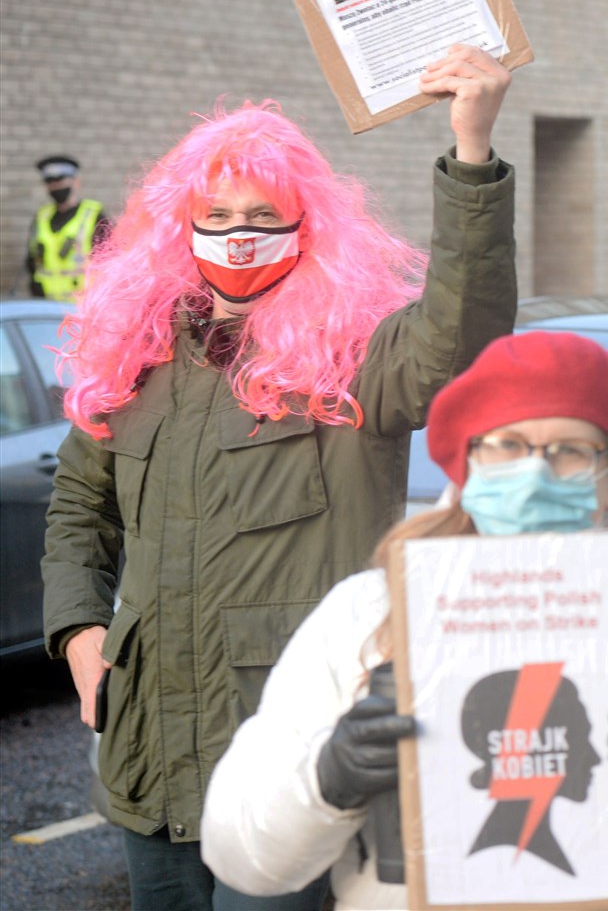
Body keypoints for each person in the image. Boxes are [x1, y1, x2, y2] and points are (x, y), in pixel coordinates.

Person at [41, 45, 518, 911]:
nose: (238, 229)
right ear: (179, 226)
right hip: (153, 752)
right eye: (216, 211)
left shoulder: (354, 361)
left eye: (263, 211)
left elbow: (460, 338)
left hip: (295, 756)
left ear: (309, 225)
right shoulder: (134, 361)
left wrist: (473, 152)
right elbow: (80, 505)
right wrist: (77, 630)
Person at [200, 331, 608, 910]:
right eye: (507, 445)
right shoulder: (366, 616)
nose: (536, 471)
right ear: (467, 464)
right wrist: (330, 776)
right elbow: (239, 854)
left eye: (571, 451)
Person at [25, 154, 111, 299]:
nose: (55, 186)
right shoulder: (42, 217)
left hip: (82, 308)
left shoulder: (94, 215)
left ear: (76, 182)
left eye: (60, 180)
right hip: (45, 307)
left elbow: (109, 263)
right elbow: (32, 260)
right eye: (49, 181)